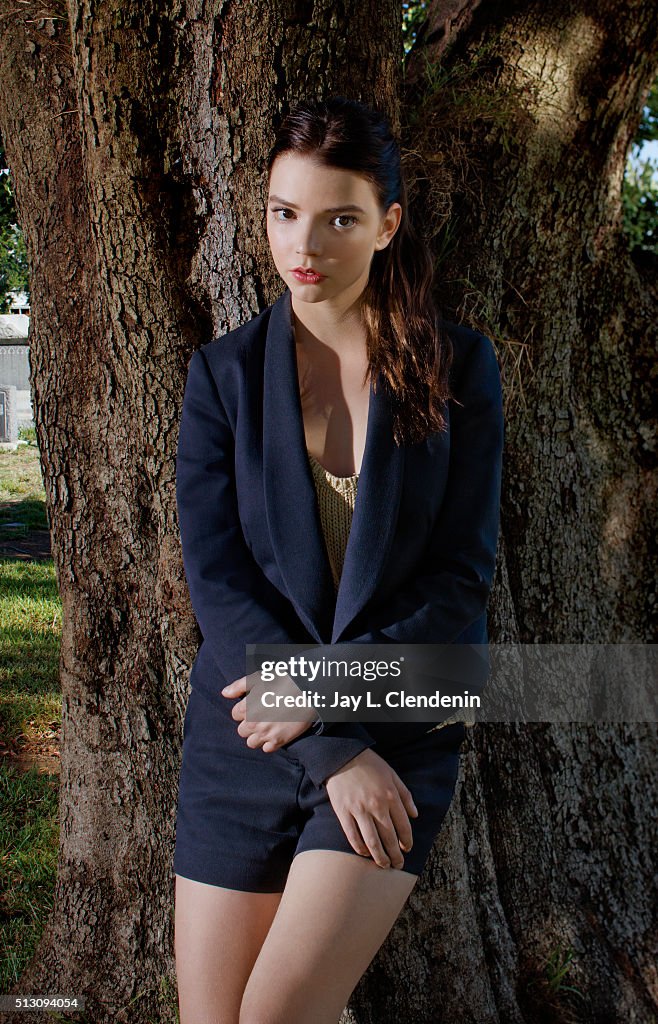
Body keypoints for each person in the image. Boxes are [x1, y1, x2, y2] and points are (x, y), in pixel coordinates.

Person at [172, 96, 504, 1024]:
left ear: (388, 224)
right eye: (284, 212)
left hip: (402, 718)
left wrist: (336, 708)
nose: (302, 243)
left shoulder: (460, 368)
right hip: (248, 727)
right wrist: (327, 742)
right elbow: (221, 584)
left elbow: (459, 580)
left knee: (277, 1015)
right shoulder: (223, 377)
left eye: (338, 218)